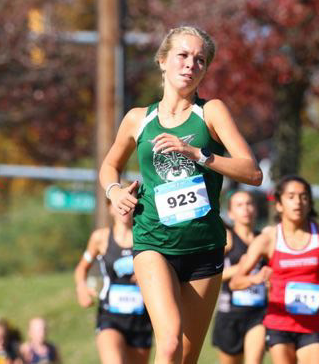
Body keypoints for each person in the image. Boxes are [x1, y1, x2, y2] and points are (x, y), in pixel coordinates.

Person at [99, 25, 263, 364]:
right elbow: (108, 167)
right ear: (162, 61)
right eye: (183, 56)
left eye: (200, 60)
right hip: (153, 241)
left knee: (186, 357)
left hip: (204, 247)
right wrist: (114, 193)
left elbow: (253, 172)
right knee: (170, 342)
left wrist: (200, 156)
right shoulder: (138, 120)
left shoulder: (211, 112)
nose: (191, 64)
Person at [230, 176, 319, 364]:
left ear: (310, 203)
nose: (298, 202)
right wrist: (255, 279)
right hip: (279, 325)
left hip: (314, 325)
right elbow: (236, 282)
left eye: (303, 197)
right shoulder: (268, 239)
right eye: (291, 196)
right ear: (279, 204)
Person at [74, 204, 152, 364]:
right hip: (110, 317)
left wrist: (147, 273)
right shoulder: (100, 238)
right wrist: (81, 288)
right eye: (120, 204)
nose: (125, 209)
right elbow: (81, 268)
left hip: (141, 320)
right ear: (109, 208)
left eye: (130, 205)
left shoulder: (148, 238)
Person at [212, 190, 267, 364]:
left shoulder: (265, 239)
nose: (246, 209)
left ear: (256, 209)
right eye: (239, 205)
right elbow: (214, 275)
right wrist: (243, 268)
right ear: (230, 213)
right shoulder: (227, 240)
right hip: (230, 315)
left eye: (249, 204)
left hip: (259, 313)